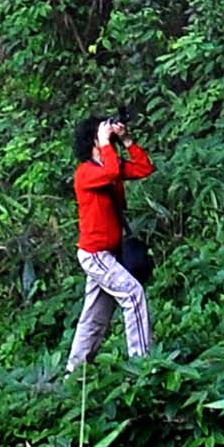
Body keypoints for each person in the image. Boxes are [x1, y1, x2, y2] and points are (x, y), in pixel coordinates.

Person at [65, 111, 156, 366]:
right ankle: (143, 364)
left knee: (94, 317)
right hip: (96, 255)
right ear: (93, 141)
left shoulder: (108, 166)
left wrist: (126, 140)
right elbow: (112, 172)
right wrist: (105, 142)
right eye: (101, 133)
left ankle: (74, 371)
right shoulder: (85, 173)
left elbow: (144, 167)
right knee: (133, 296)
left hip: (108, 254)